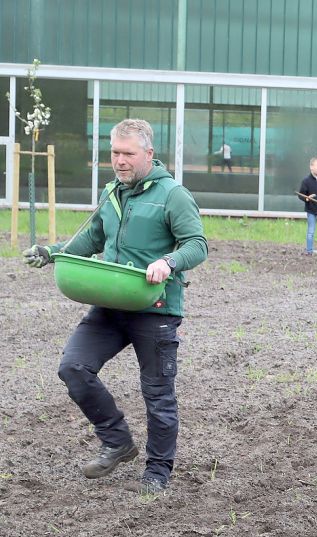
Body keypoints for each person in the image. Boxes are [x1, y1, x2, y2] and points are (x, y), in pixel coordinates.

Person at [21, 119, 208, 494]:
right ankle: (118, 440)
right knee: (73, 367)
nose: (120, 161)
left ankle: (157, 471)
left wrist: (168, 262)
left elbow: (197, 244)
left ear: (149, 154)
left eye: (128, 154)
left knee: (157, 393)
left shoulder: (173, 194)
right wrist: (51, 253)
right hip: (110, 304)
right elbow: (88, 239)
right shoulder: (111, 193)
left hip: (155, 307)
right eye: (115, 153)